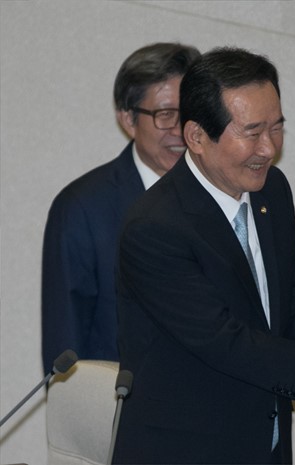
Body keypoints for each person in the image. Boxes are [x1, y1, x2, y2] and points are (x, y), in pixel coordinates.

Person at [112, 47, 295, 464]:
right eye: (252, 132)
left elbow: (292, 302)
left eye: (277, 127)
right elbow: (224, 341)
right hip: (186, 450)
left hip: (265, 444)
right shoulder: (155, 226)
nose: (269, 148)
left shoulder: (271, 191)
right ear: (196, 137)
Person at [41, 42, 201, 373]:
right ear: (128, 119)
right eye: (165, 114)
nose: (179, 130)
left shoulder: (221, 197)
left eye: (189, 113)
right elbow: (65, 346)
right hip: (119, 400)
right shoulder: (82, 208)